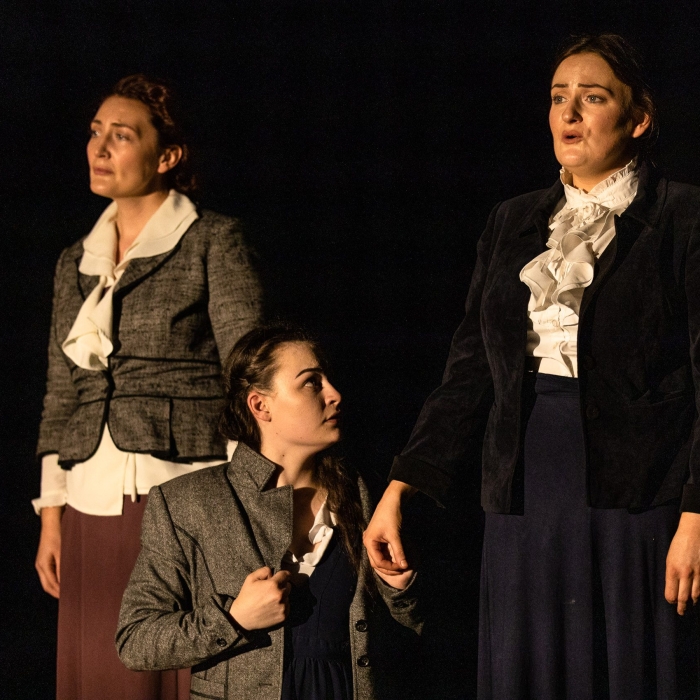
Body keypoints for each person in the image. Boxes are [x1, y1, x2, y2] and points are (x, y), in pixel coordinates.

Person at [363, 33, 700, 699]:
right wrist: (401, 488)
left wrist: (697, 514)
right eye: (558, 98)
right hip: (526, 491)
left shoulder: (683, 217)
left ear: (638, 119)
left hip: (642, 495)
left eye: (593, 98)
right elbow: (468, 373)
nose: (569, 114)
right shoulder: (514, 222)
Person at [32, 74, 262, 700]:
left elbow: (248, 375)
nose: (99, 148)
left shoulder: (213, 238)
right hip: (86, 498)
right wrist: (51, 517)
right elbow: (63, 392)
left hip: (176, 489)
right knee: (98, 669)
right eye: (95, 132)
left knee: (163, 665)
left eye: (122, 136)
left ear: (167, 157)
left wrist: (251, 499)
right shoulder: (73, 261)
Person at [115, 325, 422, 700]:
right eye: (311, 383)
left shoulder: (370, 496)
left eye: (330, 380)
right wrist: (232, 620)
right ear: (261, 405)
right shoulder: (187, 503)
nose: (335, 395)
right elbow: (136, 640)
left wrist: (399, 587)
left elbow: (423, 633)